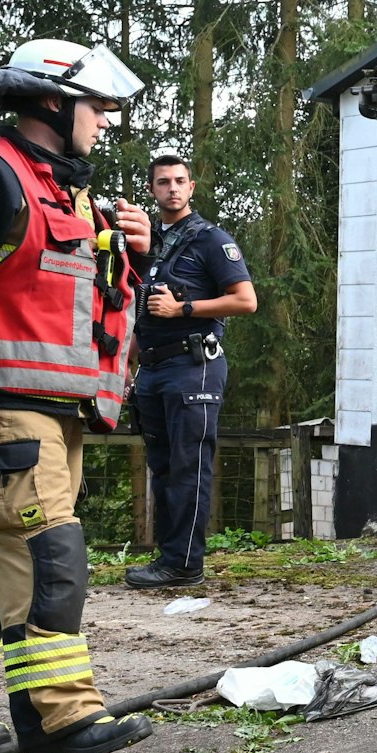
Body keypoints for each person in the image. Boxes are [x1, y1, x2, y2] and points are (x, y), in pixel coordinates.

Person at [0, 38, 155, 753]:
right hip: (1, 412)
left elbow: (85, 305)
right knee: (52, 560)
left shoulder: (65, 192)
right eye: (98, 106)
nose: (106, 121)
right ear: (54, 102)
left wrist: (132, 251)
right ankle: (57, 718)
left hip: (58, 413)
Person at [124, 151, 257, 589]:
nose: (173, 188)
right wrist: (129, 360)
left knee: (188, 466)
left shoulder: (211, 240)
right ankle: (169, 558)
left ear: (191, 187)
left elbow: (245, 300)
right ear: (152, 189)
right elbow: (144, 312)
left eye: (180, 181)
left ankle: (185, 565)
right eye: (164, 182)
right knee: (162, 467)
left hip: (194, 365)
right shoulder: (152, 248)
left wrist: (185, 307)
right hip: (154, 369)